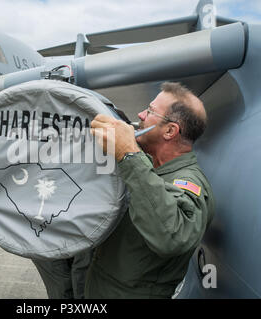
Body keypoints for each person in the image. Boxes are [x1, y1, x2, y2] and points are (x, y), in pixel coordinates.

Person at [87, 82, 215, 298]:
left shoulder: (189, 183)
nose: (140, 114)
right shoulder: (148, 166)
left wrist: (128, 154)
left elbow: (172, 237)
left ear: (170, 131)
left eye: (150, 111)